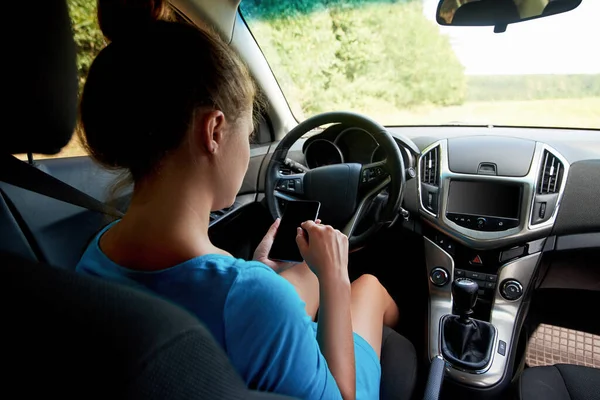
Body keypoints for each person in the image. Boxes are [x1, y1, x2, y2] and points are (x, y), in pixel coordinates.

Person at [76, 1, 400, 399]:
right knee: (368, 286)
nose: (248, 149)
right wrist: (335, 277)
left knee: (301, 277)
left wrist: (257, 269)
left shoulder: (96, 252)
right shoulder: (255, 297)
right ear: (213, 131)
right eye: (247, 135)